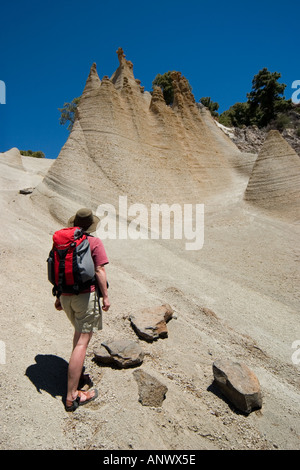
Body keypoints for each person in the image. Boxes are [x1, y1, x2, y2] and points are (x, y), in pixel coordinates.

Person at [54, 208, 110, 411]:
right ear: (90, 225)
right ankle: (71, 396)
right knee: (82, 343)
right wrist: (105, 296)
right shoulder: (93, 242)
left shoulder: (64, 241)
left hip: (65, 295)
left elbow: (57, 268)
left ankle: (74, 377)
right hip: (85, 296)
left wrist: (59, 295)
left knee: (78, 336)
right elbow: (99, 270)